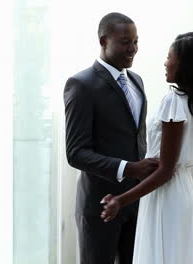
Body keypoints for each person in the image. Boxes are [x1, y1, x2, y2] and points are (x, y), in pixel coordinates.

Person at [101, 31, 193, 264]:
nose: (165, 62)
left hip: (169, 196)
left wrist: (120, 200)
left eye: (170, 57)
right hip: (188, 191)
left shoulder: (174, 101)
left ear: (185, 64)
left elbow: (165, 170)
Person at [64, 12, 159, 264]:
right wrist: (128, 168)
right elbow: (75, 152)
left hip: (138, 201)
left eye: (136, 41)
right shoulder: (81, 84)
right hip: (100, 207)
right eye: (126, 42)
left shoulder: (137, 81)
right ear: (103, 41)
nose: (133, 49)